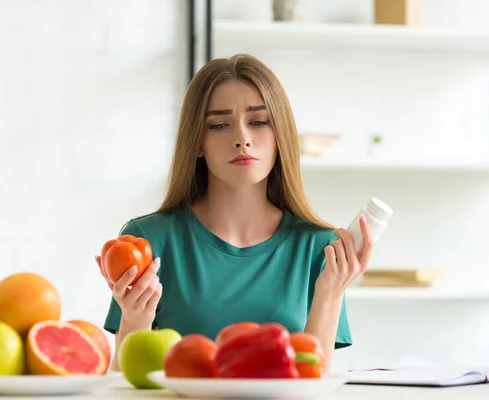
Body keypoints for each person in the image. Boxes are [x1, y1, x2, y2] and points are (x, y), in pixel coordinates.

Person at [96, 53, 374, 373]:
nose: (242, 139)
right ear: (197, 141)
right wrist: (134, 319)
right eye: (219, 125)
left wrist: (329, 294)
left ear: (279, 136)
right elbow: (125, 385)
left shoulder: (319, 248)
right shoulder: (149, 239)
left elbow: (316, 381)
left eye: (258, 122)